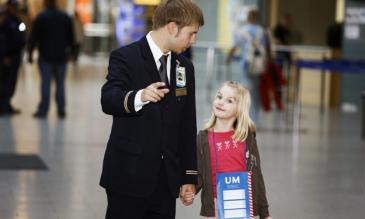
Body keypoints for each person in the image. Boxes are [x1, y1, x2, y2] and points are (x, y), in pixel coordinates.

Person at [99, 0, 204, 218]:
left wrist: (189, 176)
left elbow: (187, 123)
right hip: (128, 175)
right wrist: (140, 96)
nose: (193, 41)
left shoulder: (185, 67)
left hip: (165, 182)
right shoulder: (126, 57)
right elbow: (108, 99)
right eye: (191, 33)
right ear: (172, 27)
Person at [194, 81, 272, 219]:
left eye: (229, 101)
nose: (221, 102)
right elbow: (199, 173)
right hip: (215, 210)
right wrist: (188, 188)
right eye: (219, 97)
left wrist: (265, 214)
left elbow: (257, 176)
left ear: (239, 109)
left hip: (244, 208)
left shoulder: (247, 138)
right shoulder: (203, 138)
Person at [27, 0, 75, 118]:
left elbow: (34, 37)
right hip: (61, 56)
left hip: (45, 56)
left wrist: (30, 53)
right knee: (60, 84)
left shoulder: (41, 17)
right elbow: (71, 37)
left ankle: (43, 110)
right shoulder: (65, 17)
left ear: (46, 3)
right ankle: (61, 109)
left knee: (45, 83)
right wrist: (72, 53)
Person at [226, 9, 267, 124]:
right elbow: (267, 49)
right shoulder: (261, 31)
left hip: (246, 65)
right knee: (256, 93)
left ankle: (243, 119)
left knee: (244, 92)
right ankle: (255, 120)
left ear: (248, 18)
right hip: (259, 66)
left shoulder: (242, 31)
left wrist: (228, 58)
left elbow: (234, 46)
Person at [0, 0, 26, 116]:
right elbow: (2, 40)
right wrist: (4, 55)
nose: (15, 8)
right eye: (13, 6)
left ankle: (7, 105)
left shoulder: (16, 19)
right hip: (8, 57)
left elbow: (20, 34)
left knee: (11, 83)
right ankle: (3, 106)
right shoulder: (5, 20)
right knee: (5, 82)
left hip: (15, 56)